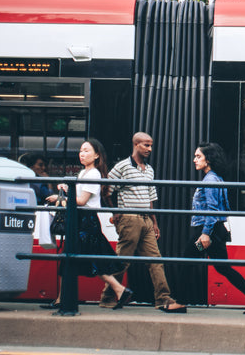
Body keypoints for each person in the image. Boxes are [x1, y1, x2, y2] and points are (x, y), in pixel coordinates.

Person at [103, 132, 185, 313]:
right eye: (146, 145)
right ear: (136, 144)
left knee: (155, 260)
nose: (150, 149)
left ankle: (163, 299)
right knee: (123, 260)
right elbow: (106, 189)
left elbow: (150, 197)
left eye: (151, 145)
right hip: (130, 218)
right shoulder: (123, 166)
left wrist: (154, 222)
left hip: (146, 219)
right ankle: (108, 296)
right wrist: (115, 212)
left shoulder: (149, 169)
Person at [47, 139, 129, 310]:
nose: (81, 154)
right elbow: (81, 195)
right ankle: (119, 290)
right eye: (81, 151)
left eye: (86, 150)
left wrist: (60, 199)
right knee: (84, 259)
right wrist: (68, 188)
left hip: (86, 221)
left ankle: (63, 300)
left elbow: (82, 201)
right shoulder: (84, 173)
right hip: (83, 220)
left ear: (97, 155)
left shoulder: (93, 174)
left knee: (77, 258)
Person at [189, 143, 245, 315]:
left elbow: (213, 210)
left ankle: (176, 301)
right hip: (216, 231)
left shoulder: (210, 180)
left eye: (198, 156)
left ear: (209, 159)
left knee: (187, 260)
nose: (194, 160)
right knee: (222, 267)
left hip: (206, 232)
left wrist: (205, 234)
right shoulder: (216, 178)